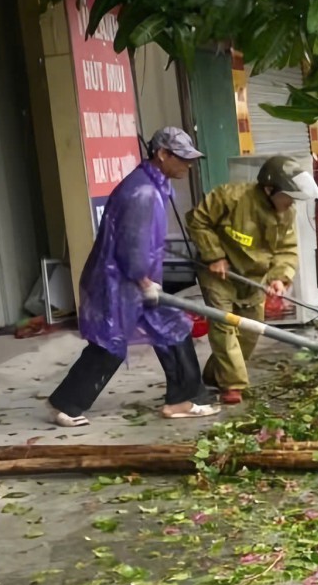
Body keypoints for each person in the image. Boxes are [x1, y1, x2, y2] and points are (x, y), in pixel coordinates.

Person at [47, 128, 220, 427]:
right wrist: (144, 281)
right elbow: (133, 243)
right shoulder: (143, 192)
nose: (187, 165)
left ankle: (182, 399)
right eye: (182, 158)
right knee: (115, 341)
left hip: (127, 278)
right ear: (162, 154)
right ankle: (67, 403)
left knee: (168, 330)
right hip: (122, 281)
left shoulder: (152, 184)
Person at [187, 155, 318, 405]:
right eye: (287, 196)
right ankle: (232, 385)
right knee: (224, 325)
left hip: (253, 279)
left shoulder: (285, 214)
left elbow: (286, 250)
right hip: (220, 275)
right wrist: (214, 255)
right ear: (270, 189)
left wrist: (280, 278)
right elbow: (198, 221)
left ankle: (216, 374)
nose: (291, 203)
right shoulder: (231, 197)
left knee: (250, 329)